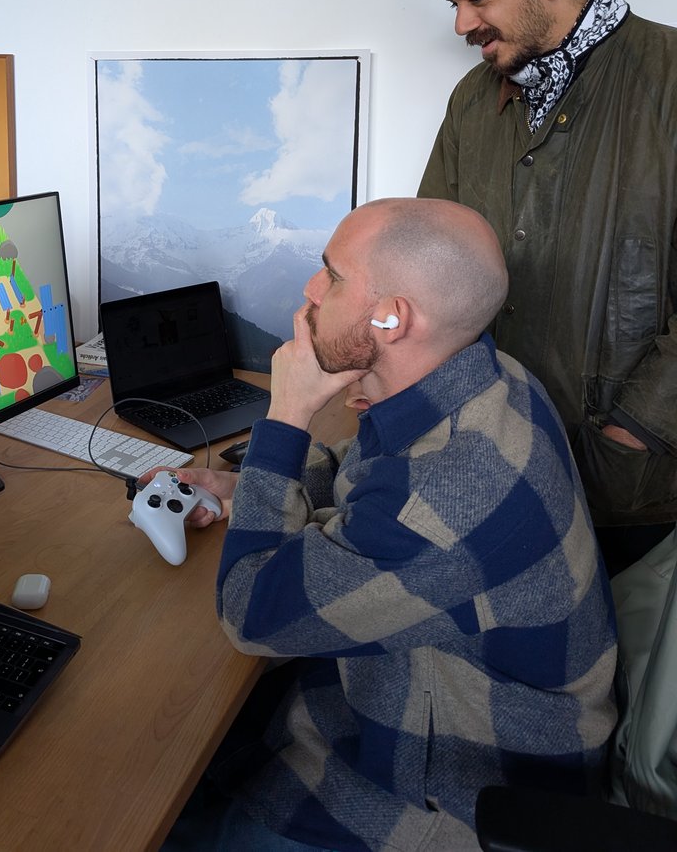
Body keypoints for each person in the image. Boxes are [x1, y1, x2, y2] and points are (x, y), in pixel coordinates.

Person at [157, 197, 616, 852]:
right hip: (404, 705)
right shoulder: (489, 379)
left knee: (154, 815)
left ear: (391, 317)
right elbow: (375, 470)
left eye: (332, 275)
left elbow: (251, 614)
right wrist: (253, 485)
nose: (311, 290)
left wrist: (286, 416)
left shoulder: (449, 495)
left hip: (449, 791)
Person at [414, 0, 677, 573]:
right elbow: (430, 260)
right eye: (454, 3)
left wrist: (632, 434)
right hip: (487, 465)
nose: (462, 24)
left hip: (627, 489)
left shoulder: (671, 78)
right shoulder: (472, 100)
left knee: (621, 640)